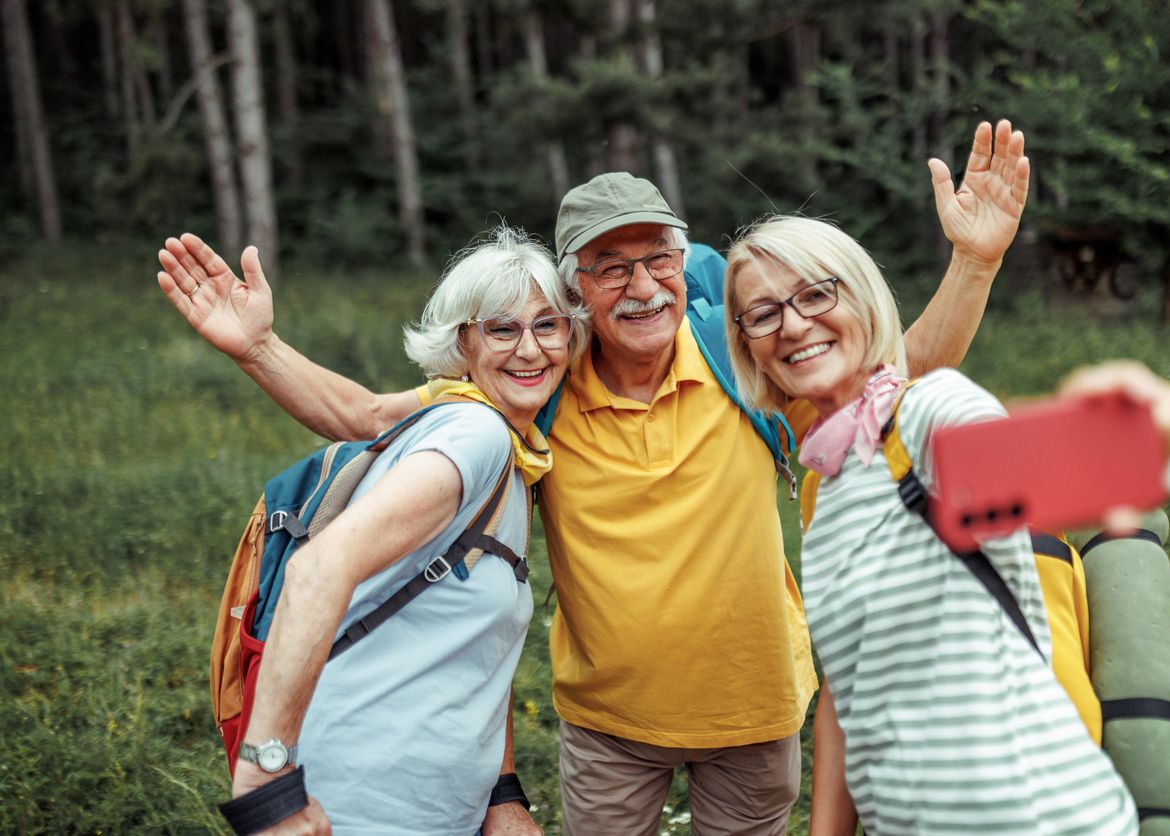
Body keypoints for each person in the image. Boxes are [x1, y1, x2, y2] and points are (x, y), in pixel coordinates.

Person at [157, 120, 1030, 833]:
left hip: (756, 713)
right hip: (607, 731)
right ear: (578, 289)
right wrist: (259, 347)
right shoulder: (532, 390)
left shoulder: (741, 360)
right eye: (611, 267)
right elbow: (364, 416)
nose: (641, 285)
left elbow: (891, 376)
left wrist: (975, 261)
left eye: (656, 260)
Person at [723, 214, 1170, 834]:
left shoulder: (927, 410)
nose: (792, 324)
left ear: (863, 298)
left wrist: (1125, 432)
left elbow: (1049, 469)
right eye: (762, 313)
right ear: (747, 343)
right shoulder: (825, 491)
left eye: (816, 293)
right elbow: (846, 696)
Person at [158, 227, 586, 834]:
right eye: (501, 328)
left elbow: (362, 414)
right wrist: (266, 780)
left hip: (426, 808)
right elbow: (320, 567)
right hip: (367, 806)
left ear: (571, 336)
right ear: (462, 343)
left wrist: (501, 795)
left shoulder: (502, 445)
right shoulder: (476, 434)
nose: (529, 349)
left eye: (548, 326)